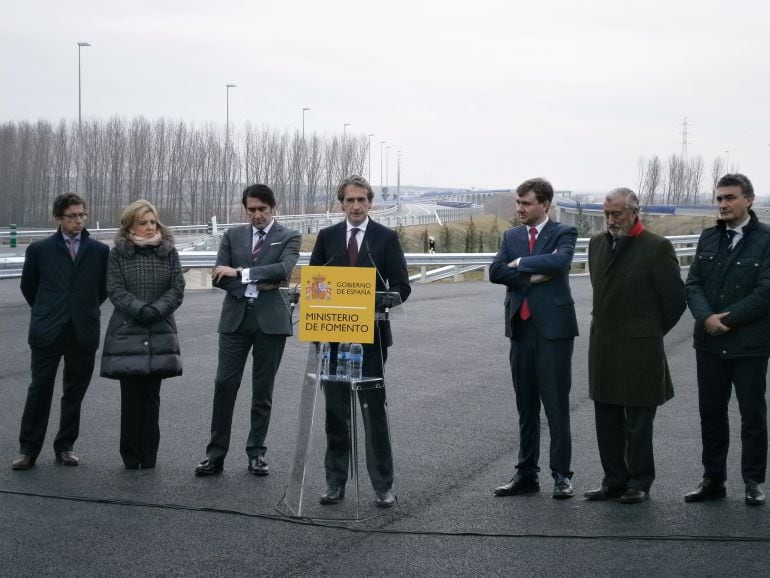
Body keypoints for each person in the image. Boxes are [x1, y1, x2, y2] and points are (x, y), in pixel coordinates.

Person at [310, 175, 411, 508]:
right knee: (335, 414)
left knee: (372, 414)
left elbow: (402, 286)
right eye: (350, 200)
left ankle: (383, 485)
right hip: (332, 341)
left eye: (361, 200)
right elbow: (315, 283)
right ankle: (334, 482)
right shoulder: (327, 238)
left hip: (371, 341)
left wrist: (379, 300)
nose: (356, 206)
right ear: (341, 203)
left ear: (371, 203)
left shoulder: (385, 238)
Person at [585, 188, 686, 504]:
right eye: (606, 213)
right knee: (607, 418)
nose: (610, 220)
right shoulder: (597, 244)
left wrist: (650, 332)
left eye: (616, 214)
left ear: (634, 212)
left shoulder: (656, 247)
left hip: (640, 347)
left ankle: (639, 481)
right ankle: (613, 480)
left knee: (639, 423)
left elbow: (674, 301)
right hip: (604, 344)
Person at [195, 184, 301, 477]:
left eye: (262, 210)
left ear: (273, 208)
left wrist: (241, 273)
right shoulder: (232, 235)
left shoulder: (289, 236)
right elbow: (218, 276)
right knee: (224, 386)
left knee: (262, 391)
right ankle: (215, 455)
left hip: (272, 322)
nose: (256, 215)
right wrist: (255, 282)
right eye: (251, 209)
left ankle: (256, 453)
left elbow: (283, 270)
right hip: (235, 320)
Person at [489, 178, 579, 499]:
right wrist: (529, 277)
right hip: (521, 331)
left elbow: (559, 261)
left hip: (553, 332)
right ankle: (526, 474)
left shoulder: (563, 233)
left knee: (555, 406)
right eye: (517, 203)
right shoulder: (511, 235)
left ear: (545, 204)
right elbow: (495, 271)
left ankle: (562, 475)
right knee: (526, 407)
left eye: (525, 203)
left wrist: (520, 264)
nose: (519, 209)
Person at [684, 173, 770, 506]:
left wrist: (726, 320)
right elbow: (693, 285)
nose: (723, 204)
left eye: (730, 198)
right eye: (719, 198)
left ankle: (752, 481)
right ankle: (713, 479)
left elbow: (765, 292)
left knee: (752, 414)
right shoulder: (708, 238)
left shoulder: (765, 240)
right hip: (708, 342)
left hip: (749, 343)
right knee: (711, 413)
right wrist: (706, 317)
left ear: (749, 200)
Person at [12, 193, 109, 470]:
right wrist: (48, 310)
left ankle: (65, 446)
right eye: (72, 216)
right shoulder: (39, 250)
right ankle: (28, 450)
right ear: (58, 219)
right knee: (39, 389)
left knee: (74, 392)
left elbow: (102, 289)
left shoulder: (99, 251)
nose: (78, 220)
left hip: (82, 330)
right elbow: (28, 287)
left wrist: (82, 309)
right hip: (48, 329)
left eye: (82, 215)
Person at [100, 200, 185, 469]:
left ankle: (149, 457)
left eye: (153, 222)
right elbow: (115, 289)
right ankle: (130, 455)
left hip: (160, 329)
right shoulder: (118, 254)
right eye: (143, 222)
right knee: (131, 398)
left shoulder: (169, 252)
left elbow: (176, 288)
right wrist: (139, 310)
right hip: (128, 330)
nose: (150, 227)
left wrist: (157, 309)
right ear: (130, 226)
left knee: (152, 397)